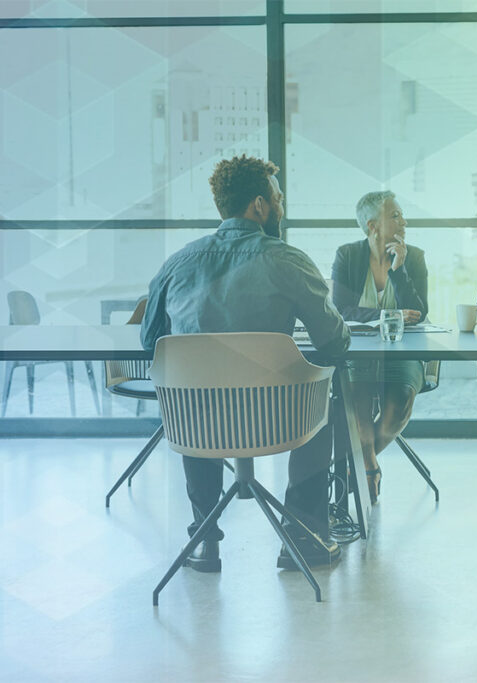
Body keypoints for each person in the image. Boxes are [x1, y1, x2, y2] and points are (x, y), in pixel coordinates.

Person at [141, 155, 350, 573]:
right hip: (278, 421)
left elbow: (151, 340)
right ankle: (302, 538)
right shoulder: (288, 260)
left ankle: (203, 538)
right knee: (324, 391)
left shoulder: (177, 263)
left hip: (196, 425)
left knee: (194, 389)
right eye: (279, 199)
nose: (282, 207)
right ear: (259, 205)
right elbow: (333, 340)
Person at [331, 191, 428, 503]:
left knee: (395, 411)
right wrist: (388, 315)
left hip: (403, 354)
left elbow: (419, 312)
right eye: (396, 216)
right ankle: (369, 467)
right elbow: (341, 309)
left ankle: (351, 466)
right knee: (356, 404)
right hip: (356, 352)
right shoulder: (347, 256)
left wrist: (399, 271)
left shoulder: (413, 256)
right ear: (372, 226)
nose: (404, 221)